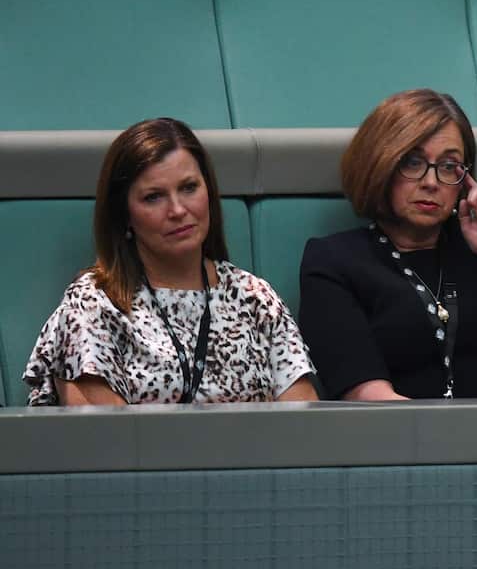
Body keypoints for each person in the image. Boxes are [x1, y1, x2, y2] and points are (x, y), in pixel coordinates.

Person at [298, 89, 477, 400]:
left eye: (449, 166)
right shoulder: (334, 261)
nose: (431, 182)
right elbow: (367, 398)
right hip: (403, 443)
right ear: (378, 166)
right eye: (412, 162)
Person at [24, 118, 317, 405]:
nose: (178, 210)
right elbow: (105, 440)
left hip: (260, 454)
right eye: (153, 197)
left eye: (189, 188)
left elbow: (304, 428)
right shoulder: (95, 304)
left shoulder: (255, 298)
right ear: (124, 215)